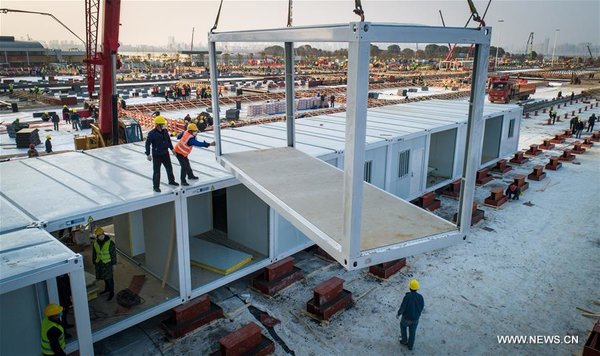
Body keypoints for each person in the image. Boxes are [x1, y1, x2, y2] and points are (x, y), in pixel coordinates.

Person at [145, 116, 178, 192]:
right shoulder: (152, 134)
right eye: (162, 124)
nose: (164, 125)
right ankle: (156, 186)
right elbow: (147, 144)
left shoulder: (165, 131)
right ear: (158, 125)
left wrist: (172, 149)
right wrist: (148, 154)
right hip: (157, 155)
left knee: (169, 168)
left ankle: (171, 181)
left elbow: (168, 140)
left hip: (165, 153)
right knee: (157, 171)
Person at [396, 279, 424, 351]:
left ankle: (404, 341)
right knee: (412, 332)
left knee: (403, 327)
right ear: (417, 288)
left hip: (406, 319)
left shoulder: (407, 297)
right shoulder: (420, 297)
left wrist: (399, 313)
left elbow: (403, 307)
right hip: (415, 319)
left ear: (410, 288)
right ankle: (410, 346)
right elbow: (421, 307)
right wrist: (417, 314)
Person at [92, 227, 116, 301]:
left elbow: (113, 254)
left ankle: (111, 292)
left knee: (109, 278)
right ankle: (107, 289)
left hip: (107, 264)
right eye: (99, 236)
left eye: (102, 235)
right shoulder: (95, 243)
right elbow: (94, 253)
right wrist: (94, 261)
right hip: (99, 263)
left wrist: (114, 264)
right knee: (104, 278)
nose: (101, 237)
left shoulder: (110, 243)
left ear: (104, 234)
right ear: (97, 236)